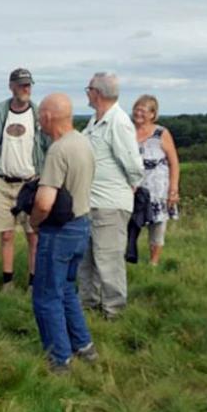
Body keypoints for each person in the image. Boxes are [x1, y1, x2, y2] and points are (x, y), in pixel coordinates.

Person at [30, 93, 98, 373]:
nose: (38, 121)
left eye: (40, 116)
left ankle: (59, 359)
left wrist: (34, 222)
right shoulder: (83, 141)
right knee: (67, 289)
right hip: (82, 224)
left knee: (46, 295)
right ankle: (84, 345)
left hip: (59, 231)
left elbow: (44, 202)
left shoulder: (58, 150)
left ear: (47, 117)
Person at [78, 72, 145, 320]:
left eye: (88, 88)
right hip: (90, 202)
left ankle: (114, 311)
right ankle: (89, 304)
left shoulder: (118, 122)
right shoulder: (95, 120)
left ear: (97, 93)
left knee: (108, 260)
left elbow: (133, 164)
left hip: (109, 203)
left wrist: (132, 186)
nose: (86, 93)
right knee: (87, 260)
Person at [0, 68, 51, 292]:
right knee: (6, 235)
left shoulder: (39, 116)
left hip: (31, 184)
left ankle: (33, 283)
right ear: (11, 86)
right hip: (3, 182)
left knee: (33, 235)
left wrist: (45, 180)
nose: (26, 89)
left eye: (29, 85)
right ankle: (8, 281)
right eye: (21, 85)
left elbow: (50, 150)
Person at [132, 95, 180, 266]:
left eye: (143, 111)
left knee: (157, 225)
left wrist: (173, 190)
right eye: (136, 109)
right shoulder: (127, 131)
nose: (138, 113)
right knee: (129, 224)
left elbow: (174, 162)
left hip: (158, 188)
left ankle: (153, 262)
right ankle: (129, 256)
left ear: (153, 114)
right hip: (132, 187)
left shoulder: (162, 133)